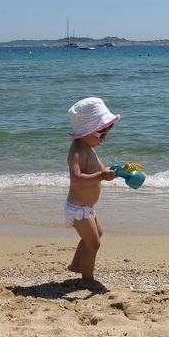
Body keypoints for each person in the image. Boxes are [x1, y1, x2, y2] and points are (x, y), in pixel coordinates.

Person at [65, 97, 120, 291]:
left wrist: (118, 171)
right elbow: (77, 179)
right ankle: (87, 279)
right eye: (101, 133)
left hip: (87, 207)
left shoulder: (89, 148)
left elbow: (102, 170)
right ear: (87, 132)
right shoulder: (77, 152)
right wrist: (101, 176)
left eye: (106, 133)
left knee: (97, 234)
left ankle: (76, 264)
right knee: (93, 243)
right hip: (77, 209)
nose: (103, 138)